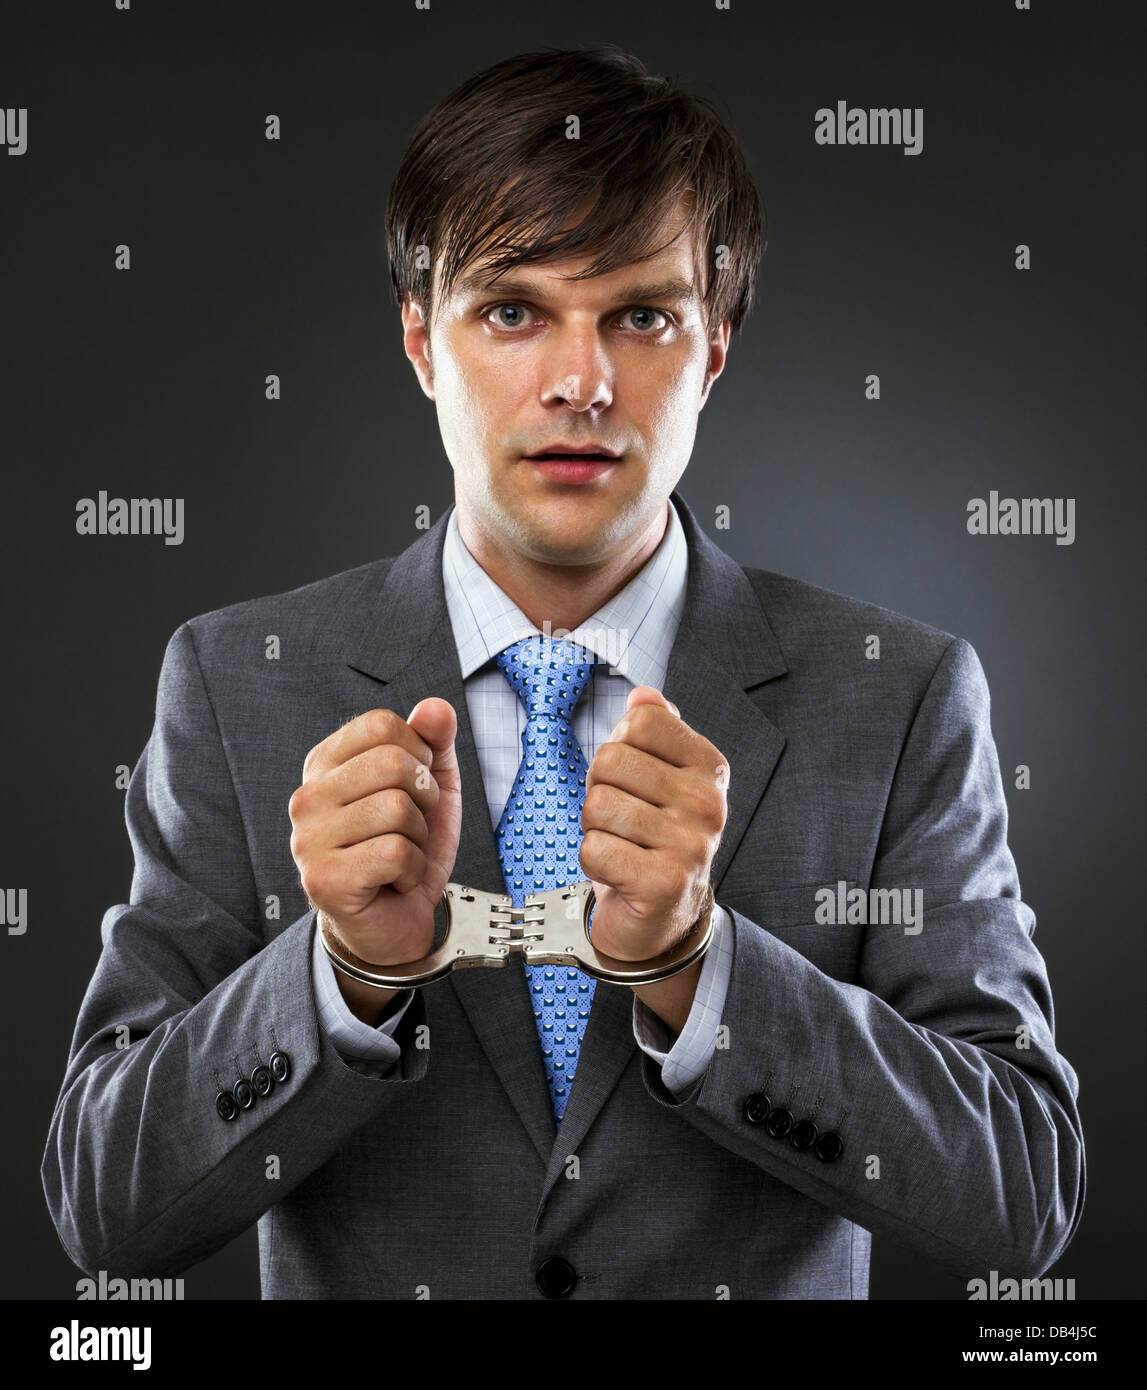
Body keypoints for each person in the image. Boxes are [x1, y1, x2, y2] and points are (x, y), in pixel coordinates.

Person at [42, 44, 1084, 1300]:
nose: (580, 382)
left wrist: (702, 962)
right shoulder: (229, 682)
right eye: (513, 310)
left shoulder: (902, 695)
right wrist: (341, 977)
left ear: (715, 345)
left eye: (641, 315)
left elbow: (1022, 1196)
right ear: (424, 340)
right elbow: (105, 1209)